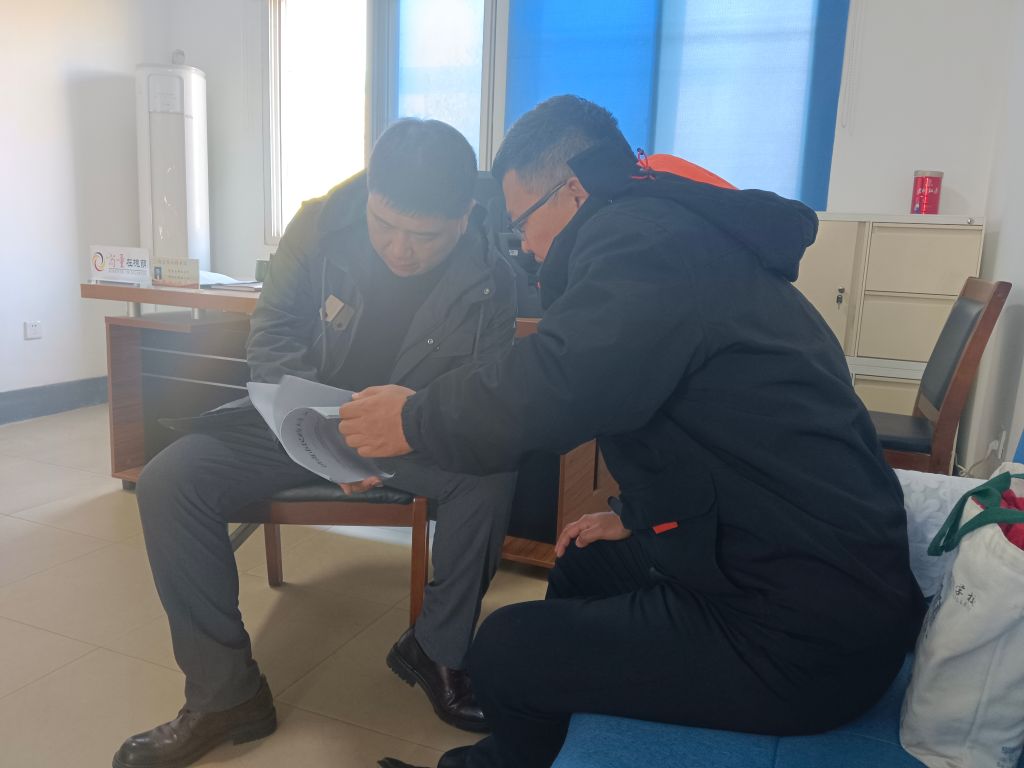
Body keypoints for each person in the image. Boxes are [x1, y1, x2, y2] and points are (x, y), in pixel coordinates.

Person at [338, 95, 927, 768]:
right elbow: (704, 422)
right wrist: (636, 515)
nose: (527, 248)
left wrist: (412, 418)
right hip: (790, 566)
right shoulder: (670, 230)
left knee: (503, 648)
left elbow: (564, 378)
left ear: (574, 188)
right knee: (585, 559)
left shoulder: (643, 239)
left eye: (523, 224)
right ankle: (531, 749)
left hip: (803, 638)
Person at [112, 118, 518, 768]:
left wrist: (408, 420)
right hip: (293, 421)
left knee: (494, 471)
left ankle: (436, 649)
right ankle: (226, 694)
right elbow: (272, 338)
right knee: (169, 481)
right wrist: (314, 434)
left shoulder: (494, 277)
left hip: (409, 431)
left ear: (464, 217)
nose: (401, 250)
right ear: (370, 195)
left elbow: (481, 395)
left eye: (425, 237)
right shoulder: (317, 227)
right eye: (385, 225)